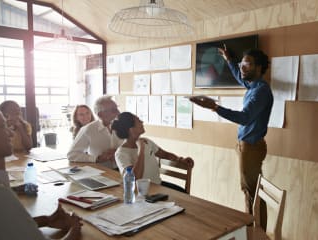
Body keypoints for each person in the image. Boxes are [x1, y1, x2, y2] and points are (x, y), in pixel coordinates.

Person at [190, 47, 273, 230]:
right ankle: (253, 230)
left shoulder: (260, 91)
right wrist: (229, 60)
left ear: (259, 67)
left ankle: (255, 233)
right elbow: (239, 75)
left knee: (250, 192)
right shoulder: (253, 86)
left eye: (247, 64)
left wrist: (215, 107)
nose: (242, 67)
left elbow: (245, 117)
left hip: (251, 147)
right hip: (247, 145)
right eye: (242, 63)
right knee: (250, 190)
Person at [0, 108, 82, 240]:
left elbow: (5, 227)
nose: (11, 134)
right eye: (2, 127)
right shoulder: (0, 194)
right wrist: (74, 228)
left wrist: (46, 220)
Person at [111, 112, 194, 192]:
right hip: (140, 192)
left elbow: (164, 154)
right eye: (139, 121)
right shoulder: (121, 153)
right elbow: (135, 178)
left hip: (157, 186)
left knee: (185, 196)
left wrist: (180, 159)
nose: (142, 122)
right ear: (131, 130)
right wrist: (141, 149)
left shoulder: (147, 142)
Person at [67, 96, 123, 169]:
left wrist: (118, 152)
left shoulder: (123, 126)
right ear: (100, 114)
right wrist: (97, 158)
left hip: (123, 169)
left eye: (117, 108)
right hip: (103, 172)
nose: (118, 112)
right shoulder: (88, 130)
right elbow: (72, 155)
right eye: (113, 110)